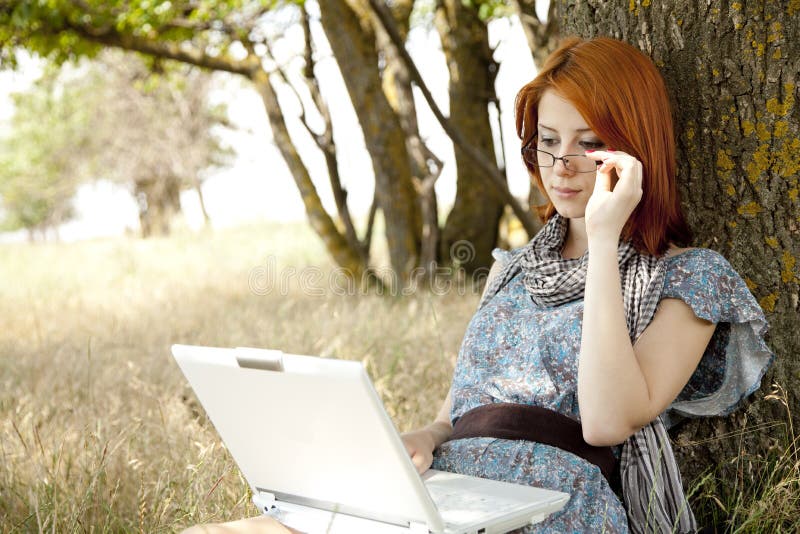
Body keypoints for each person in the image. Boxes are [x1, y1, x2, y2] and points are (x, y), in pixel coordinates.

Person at [183, 36, 774, 534]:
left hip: (555, 507)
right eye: (548, 139)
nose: (561, 164)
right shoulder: (512, 267)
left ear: (635, 148)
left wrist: (602, 238)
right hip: (452, 493)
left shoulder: (688, 278)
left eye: (589, 142)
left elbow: (605, 422)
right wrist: (426, 435)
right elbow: (458, 410)